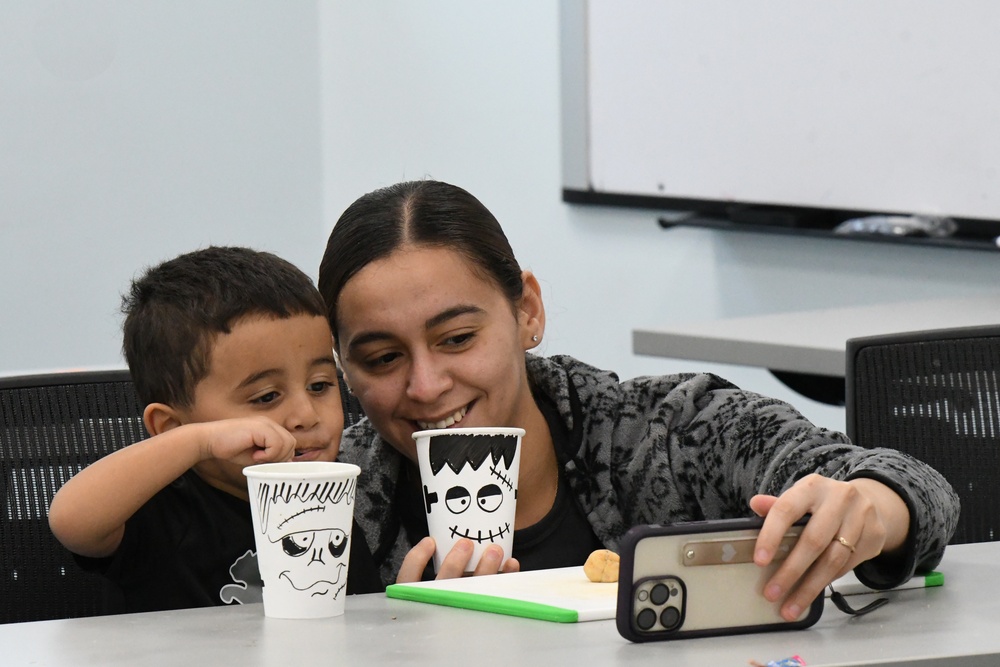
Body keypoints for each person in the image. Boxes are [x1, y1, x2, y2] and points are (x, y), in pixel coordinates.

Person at [319, 180, 959, 622]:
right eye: (382, 359)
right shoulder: (326, 498)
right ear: (343, 367)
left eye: (457, 338)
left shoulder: (666, 433)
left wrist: (875, 504)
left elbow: (911, 485)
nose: (426, 386)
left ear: (527, 312)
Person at [48, 246, 383, 613]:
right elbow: (72, 521)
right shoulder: (166, 514)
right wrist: (201, 441)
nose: (305, 415)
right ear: (171, 426)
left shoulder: (332, 502)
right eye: (267, 396)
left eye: (320, 385)